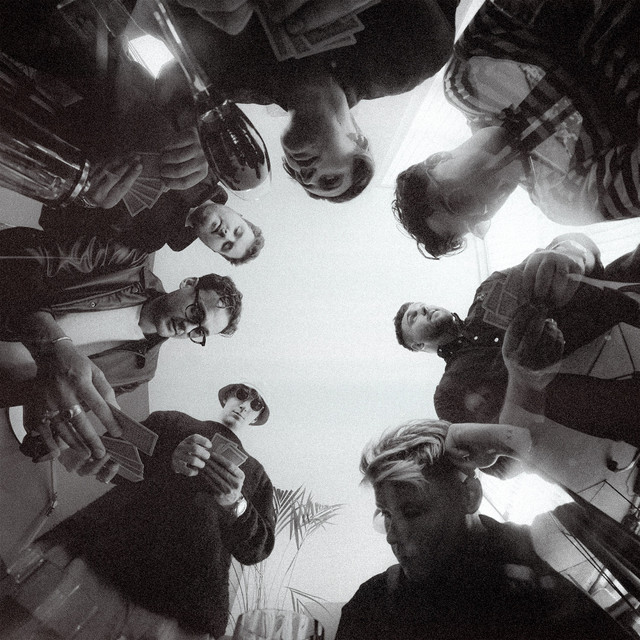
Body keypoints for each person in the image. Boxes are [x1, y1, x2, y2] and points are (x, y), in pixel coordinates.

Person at [0, 383, 275, 639]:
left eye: (256, 404)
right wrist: (167, 461)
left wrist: (236, 503)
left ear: (257, 417)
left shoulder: (257, 476)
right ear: (226, 397)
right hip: (101, 561)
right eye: (242, 393)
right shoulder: (171, 421)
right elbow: (105, 461)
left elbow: (256, 550)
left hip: (184, 606)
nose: (245, 405)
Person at [335, 417, 633, 639]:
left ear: (470, 495)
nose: (392, 536)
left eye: (412, 512)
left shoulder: (546, 560)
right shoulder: (372, 608)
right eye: (386, 514)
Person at [392, 0, 640, 258]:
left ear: (437, 159)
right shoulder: (562, 198)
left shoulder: (465, 82)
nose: (487, 210)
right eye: (478, 224)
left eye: (459, 202)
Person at [167, 0, 458, 201]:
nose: (306, 176)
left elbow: (165, 29)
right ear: (359, 142)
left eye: (300, 177)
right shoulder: (409, 60)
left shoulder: (232, 81)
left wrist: (185, 128)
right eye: (329, 180)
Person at [0, 226, 243, 461]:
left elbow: (60, 400)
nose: (187, 328)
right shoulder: (126, 260)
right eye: (197, 313)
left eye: (199, 332)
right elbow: (18, 255)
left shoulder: (142, 373)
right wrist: (54, 344)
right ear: (189, 283)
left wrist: (50, 435)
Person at [393, 233, 640, 445]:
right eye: (413, 318)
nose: (423, 309)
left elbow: (566, 248)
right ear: (417, 346)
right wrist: (522, 379)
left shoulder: (487, 291)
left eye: (422, 305)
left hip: (617, 305)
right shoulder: (448, 394)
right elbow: (499, 458)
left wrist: (572, 251)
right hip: (609, 408)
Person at [39, 183, 266, 263]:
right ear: (239, 214)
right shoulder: (205, 170)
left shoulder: (153, 239)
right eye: (237, 231)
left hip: (58, 183)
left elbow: (68, 224)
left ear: (213, 250)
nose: (226, 234)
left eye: (226, 245)